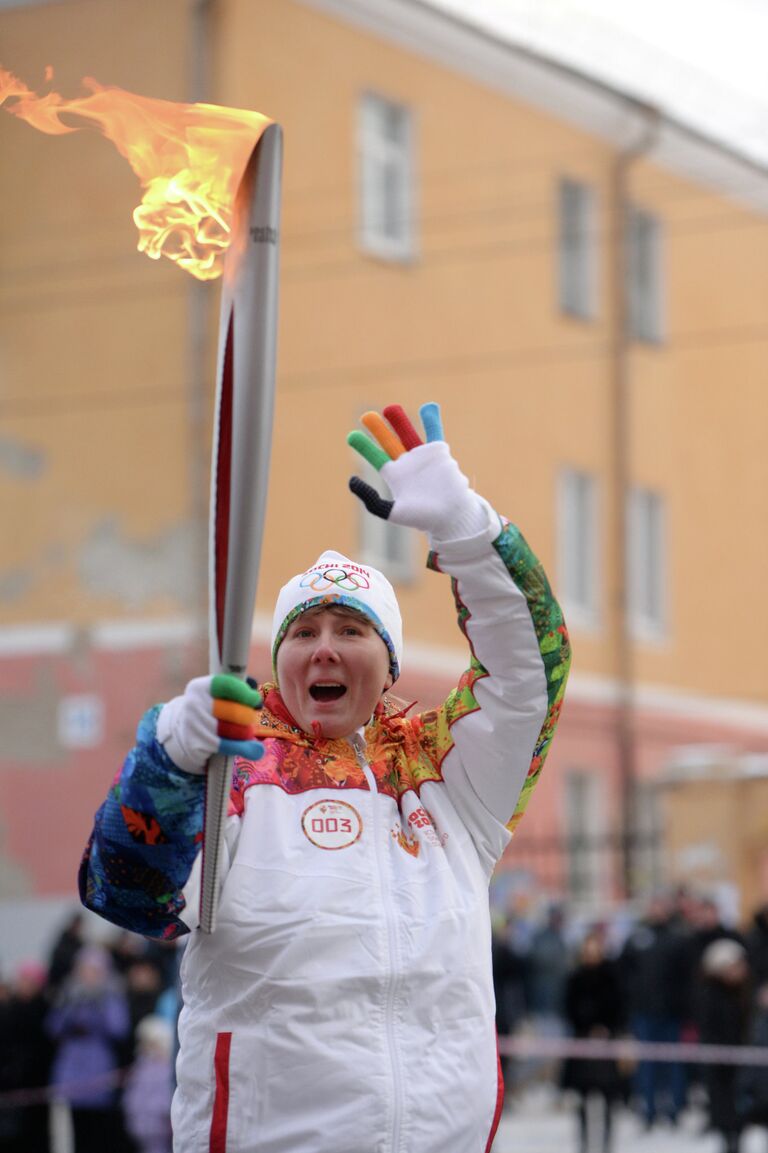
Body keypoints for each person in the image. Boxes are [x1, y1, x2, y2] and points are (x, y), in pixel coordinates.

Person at [79, 402, 571, 1153]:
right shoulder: (237, 774)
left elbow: (532, 675)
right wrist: (170, 760)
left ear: (390, 658)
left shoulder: (446, 776)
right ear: (278, 658)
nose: (324, 650)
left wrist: (468, 531)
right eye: (302, 632)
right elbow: (125, 890)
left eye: (350, 629)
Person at [561, 929, 626, 1153]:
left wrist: (606, 1028)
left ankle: (607, 1145)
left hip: (606, 1045)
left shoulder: (611, 977)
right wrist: (586, 1027)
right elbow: (568, 1009)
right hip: (582, 1044)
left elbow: (619, 1008)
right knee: (582, 1100)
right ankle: (584, 1145)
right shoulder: (575, 978)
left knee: (608, 1099)